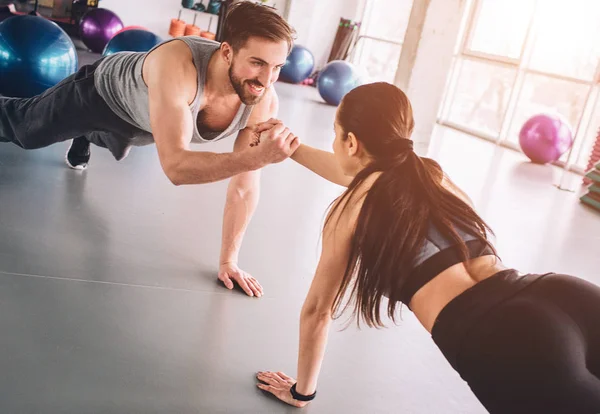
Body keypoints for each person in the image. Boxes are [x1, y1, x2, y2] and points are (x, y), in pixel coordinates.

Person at [254, 82, 600, 413]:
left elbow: (318, 312)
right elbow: (363, 172)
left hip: (504, 339)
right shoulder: (430, 175)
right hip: (558, 294)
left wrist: (303, 391)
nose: (333, 144)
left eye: (335, 133)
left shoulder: (349, 210)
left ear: (351, 142)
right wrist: (290, 148)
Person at [0, 1, 300, 297]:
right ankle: (77, 128)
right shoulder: (178, 65)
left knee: (116, 140)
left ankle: (86, 136)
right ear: (226, 51)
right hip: (101, 94)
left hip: (144, 126)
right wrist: (253, 158)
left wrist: (228, 261)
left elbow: (244, 188)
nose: (265, 79)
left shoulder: (263, 98)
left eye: (277, 67)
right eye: (257, 63)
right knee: (26, 130)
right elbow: (177, 167)